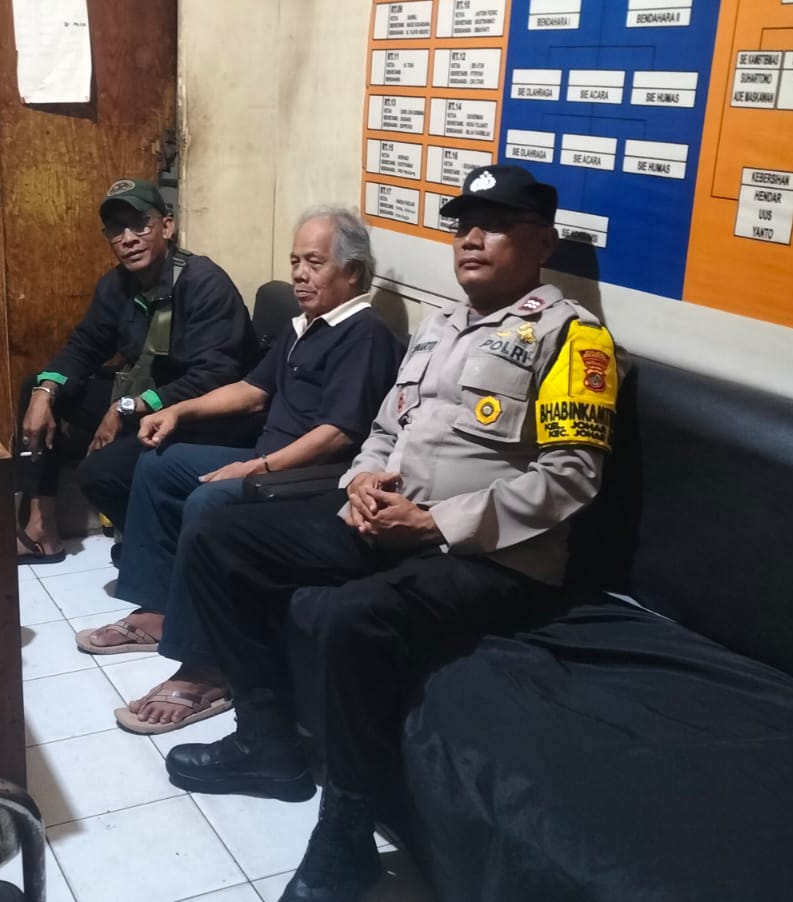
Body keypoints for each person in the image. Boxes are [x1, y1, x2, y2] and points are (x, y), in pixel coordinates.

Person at [162, 165, 626, 902]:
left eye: (496, 226)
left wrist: (437, 521)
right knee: (221, 537)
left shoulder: (571, 338)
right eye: (465, 225)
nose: (471, 239)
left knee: (351, 615)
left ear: (541, 243)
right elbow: (384, 432)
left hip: (493, 557)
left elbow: (572, 477)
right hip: (388, 524)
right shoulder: (441, 326)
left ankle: (346, 834)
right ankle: (267, 743)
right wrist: (362, 483)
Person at [74, 207, 402, 735]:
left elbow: (338, 434)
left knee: (210, 500)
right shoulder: (304, 327)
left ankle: (208, 668)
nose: (299, 275)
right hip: (265, 457)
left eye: (314, 263)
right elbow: (252, 390)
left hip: (308, 478)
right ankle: (159, 610)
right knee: (159, 464)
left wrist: (255, 466)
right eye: (295, 262)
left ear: (354, 273)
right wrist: (179, 411)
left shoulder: (362, 334)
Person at [15, 178, 258, 564]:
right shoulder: (117, 286)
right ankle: (41, 529)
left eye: (140, 224)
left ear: (167, 226)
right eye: (116, 229)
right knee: (40, 388)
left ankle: (158, 547)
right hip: (146, 399)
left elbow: (217, 375)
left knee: (100, 470)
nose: (128, 239)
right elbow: (84, 347)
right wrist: (45, 391)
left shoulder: (204, 283)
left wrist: (128, 406)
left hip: (203, 415)